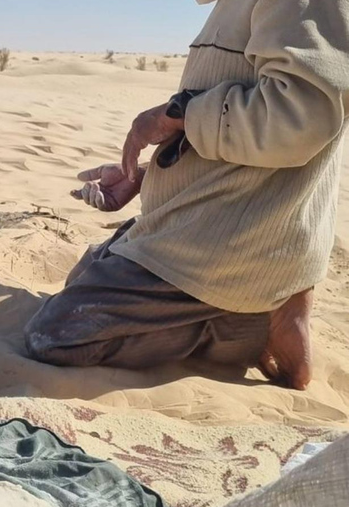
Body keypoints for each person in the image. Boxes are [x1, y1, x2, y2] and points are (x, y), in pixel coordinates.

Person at [24, 0, 349, 391]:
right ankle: (255, 305)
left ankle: (258, 319)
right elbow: (245, 132)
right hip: (204, 222)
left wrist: (170, 116)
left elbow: (298, 119)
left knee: (56, 335)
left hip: (232, 242)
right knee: (85, 271)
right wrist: (148, 176)